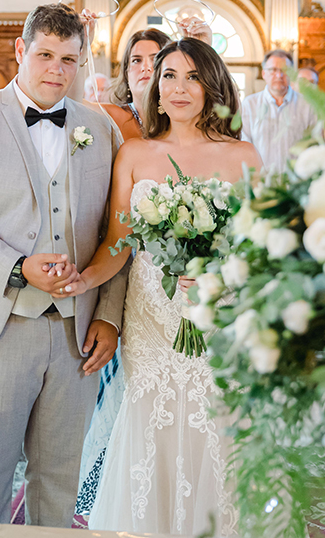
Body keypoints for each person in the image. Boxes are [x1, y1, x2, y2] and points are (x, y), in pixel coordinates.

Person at [0, 3, 128, 526]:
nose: (57, 69)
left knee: (61, 477)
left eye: (70, 59)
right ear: (21, 50)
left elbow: (119, 233)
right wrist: (18, 266)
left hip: (74, 334)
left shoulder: (100, 129)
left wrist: (108, 315)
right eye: (46, 55)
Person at [61, 38, 261, 535]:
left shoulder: (245, 156)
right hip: (150, 320)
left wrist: (222, 270)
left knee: (216, 427)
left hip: (219, 316)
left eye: (192, 76)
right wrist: (83, 278)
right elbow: (117, 243)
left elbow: (262, 248)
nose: (178, 88)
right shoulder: (134, 153)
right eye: (168, 75)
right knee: (152, 427)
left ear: (213, 84)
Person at [103, 20, 213, 142]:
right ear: (126, 72)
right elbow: (78, 106)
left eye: (155, 59)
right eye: (136, 60)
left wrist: (202, 51)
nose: (146, 67)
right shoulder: (109, 116)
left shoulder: (185, 117)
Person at [241, 49, 317, 173]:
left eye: (284, 70)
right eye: (273, 70)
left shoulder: (307, 105)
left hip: (297, 181)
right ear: (264, 73)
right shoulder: (250, 104)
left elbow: (313, 144)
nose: (279, 75)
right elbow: (245, 144)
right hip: (260, 180)